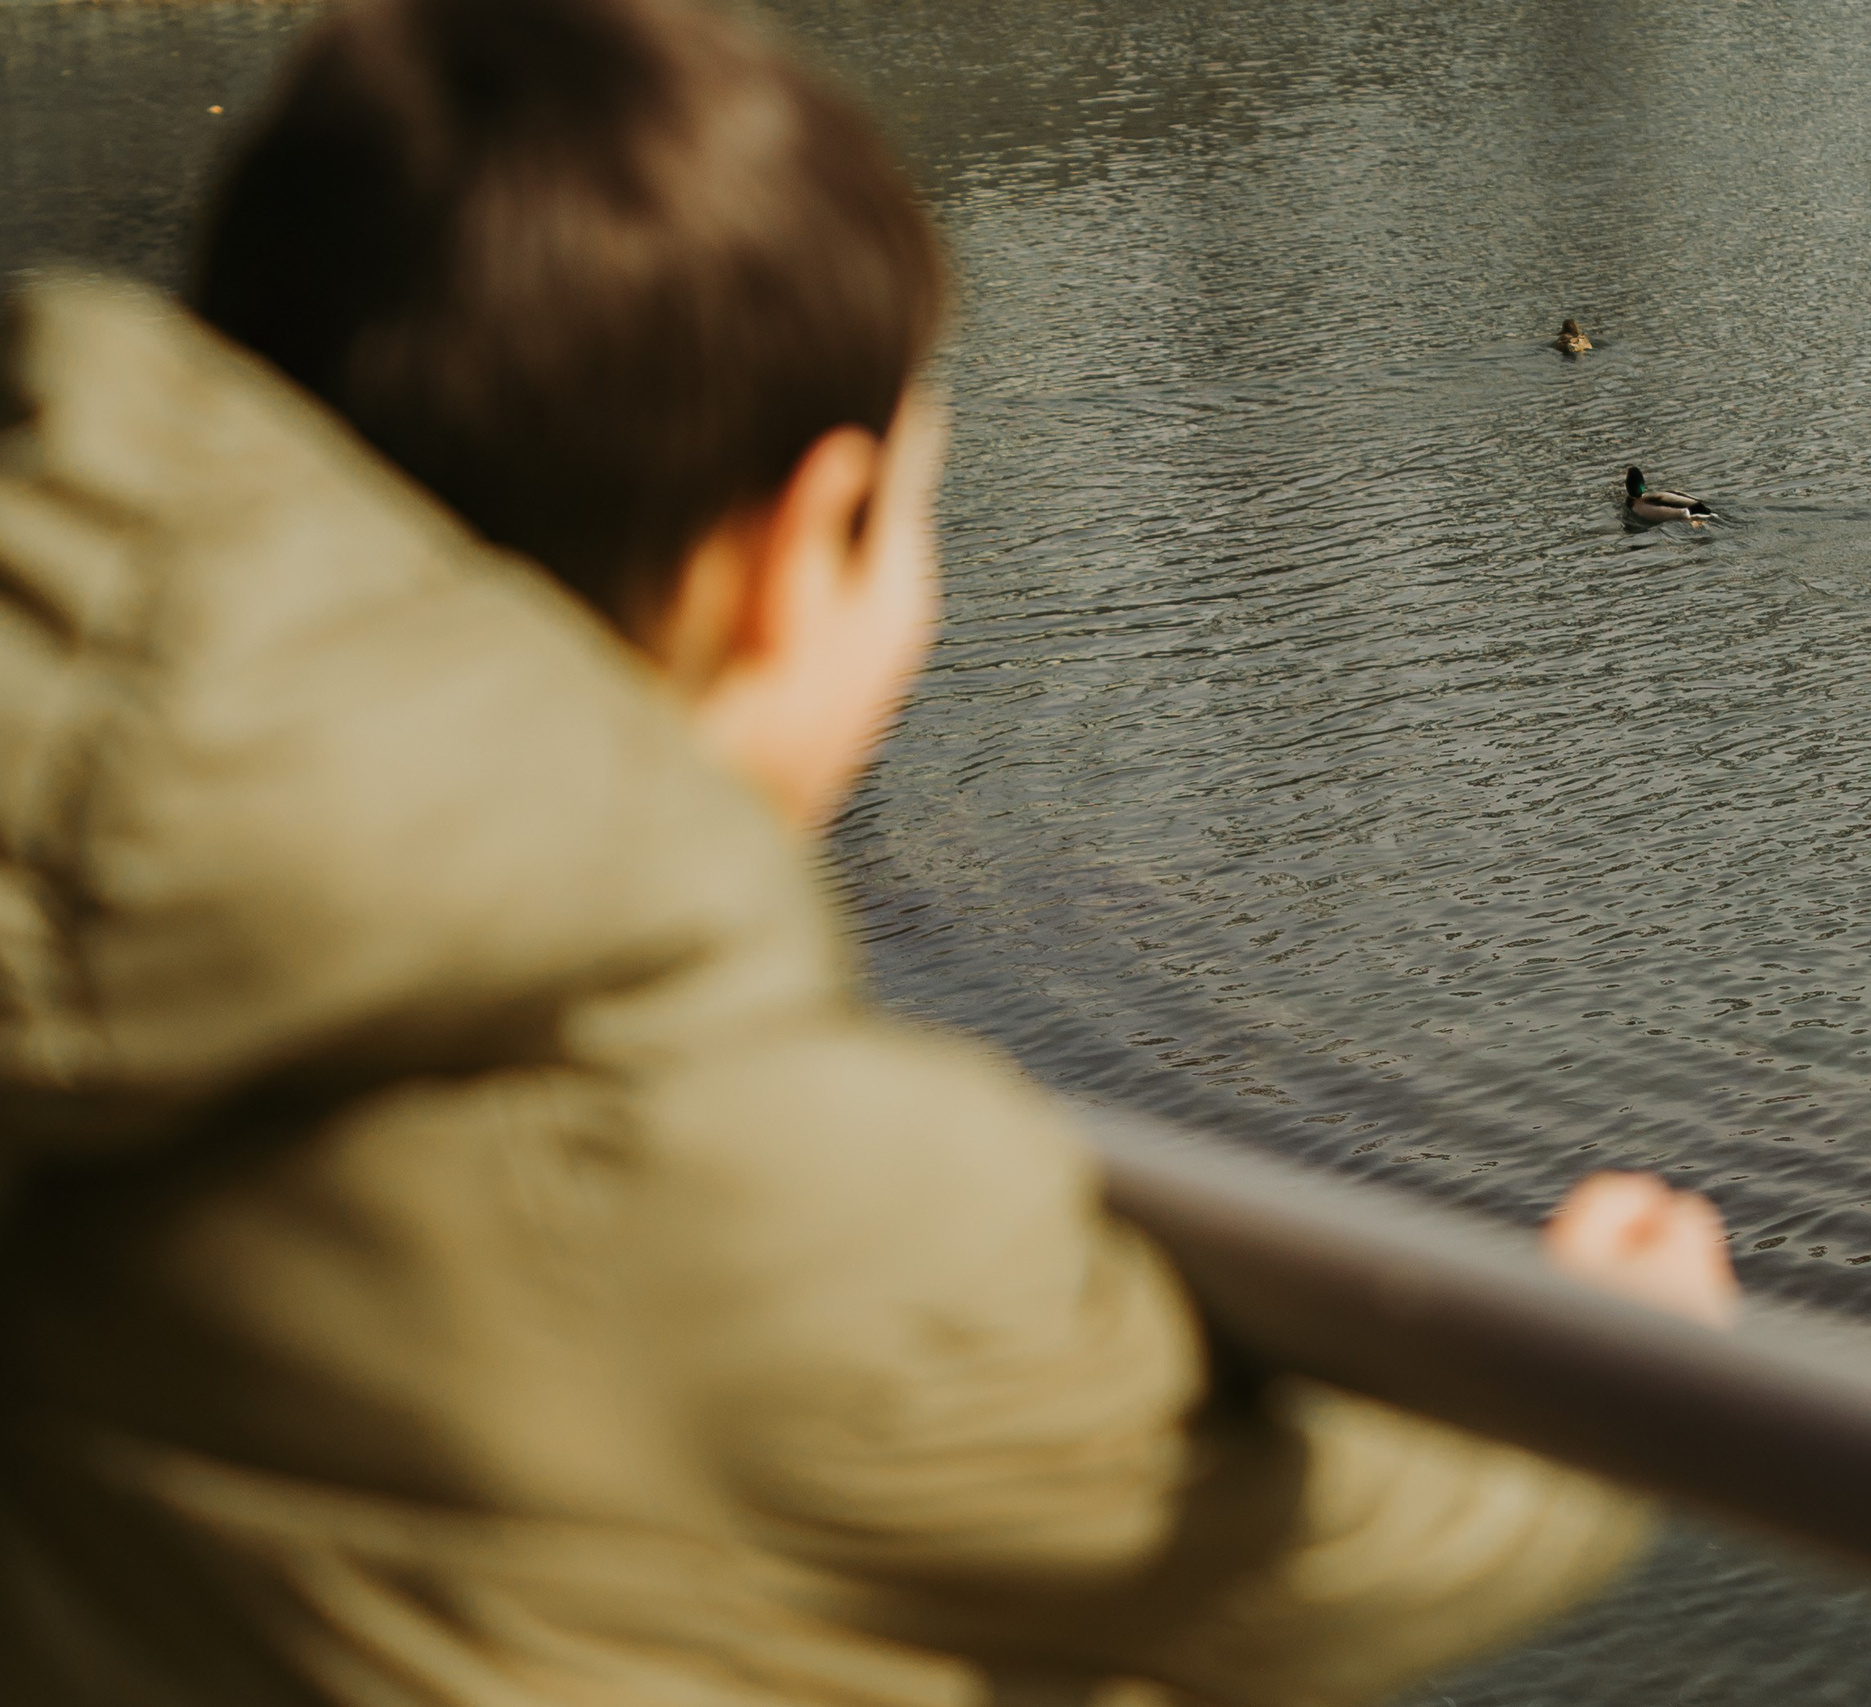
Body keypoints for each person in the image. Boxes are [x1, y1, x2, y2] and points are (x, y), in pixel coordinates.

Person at [0, 0, 1738, 1701]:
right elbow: (1314, 1547)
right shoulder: (799, 1208)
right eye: (922, 502)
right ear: (804, 545)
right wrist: (1608, 1364)